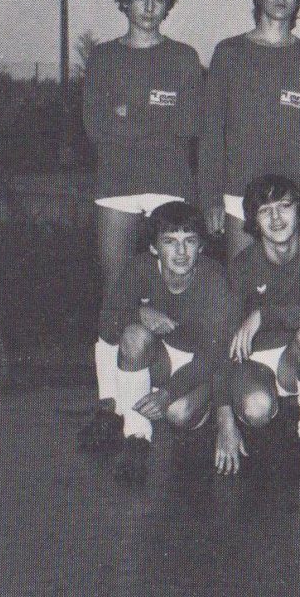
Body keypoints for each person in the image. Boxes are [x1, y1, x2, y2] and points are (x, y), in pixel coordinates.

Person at [80, 0, 204, 450]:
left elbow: (188, 124)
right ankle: (109, 402)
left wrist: (128, 114)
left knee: (172, 291)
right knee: (116, 294)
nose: (149, 7)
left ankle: (161, 393)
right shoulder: (104, 58)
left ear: (168, 5)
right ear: (124, 2)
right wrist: (154, 115)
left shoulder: (183, 57)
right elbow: (96, 126)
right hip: (116, 185)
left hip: (170, 184)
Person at [199, 0, 300, 261]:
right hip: (240, 192)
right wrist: (210, 198)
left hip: (297, 196)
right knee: (244, 283)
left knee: (295, 287)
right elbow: (211, 135)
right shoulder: (229, 53)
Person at [214, 175, 300, 476]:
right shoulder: (242, 265)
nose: (276, 218)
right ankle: (274, 402)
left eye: (284, 206)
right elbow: (220, 342)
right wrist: (225, 423)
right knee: (256, 409)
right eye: (265, 210)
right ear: (254, 221)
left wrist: (263, 316)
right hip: (256, 360)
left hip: (295, 358)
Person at [94, 201, 228, 481]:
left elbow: (214, 355)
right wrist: (139, 313)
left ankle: (195, 405)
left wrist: (169, 392)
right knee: (134, 335)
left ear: (201, 246)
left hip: (199, 366)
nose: (181, 252)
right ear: (154, 248)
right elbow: (107, 324)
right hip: (161, 358)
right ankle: (136, 436)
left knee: (179, 414)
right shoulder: (140, 267)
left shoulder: (215, 279)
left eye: (190, 241)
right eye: (170, 241)